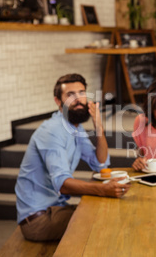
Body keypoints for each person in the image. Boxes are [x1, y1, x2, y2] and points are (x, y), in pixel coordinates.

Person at [15, 74, 131, 242]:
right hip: (39, 219)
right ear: (58, 101)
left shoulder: (74, 127)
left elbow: (100, 162)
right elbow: (63, 184)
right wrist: (102, 190)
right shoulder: (53, 130)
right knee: (104, 220)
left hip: (56, 208)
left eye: (82, 93)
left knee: (105, 211)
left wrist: (98, 126)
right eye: (70, 95)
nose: (78, 99)